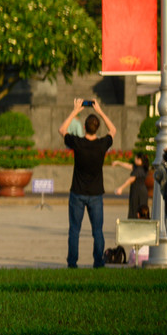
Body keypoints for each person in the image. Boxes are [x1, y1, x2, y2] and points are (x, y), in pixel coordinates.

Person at [58, 98, 116, 269]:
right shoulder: (102, 144)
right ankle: (98, 262)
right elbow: (113, 129)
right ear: (97, 127)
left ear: (84, 127)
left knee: (74, 230)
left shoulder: (78, 143)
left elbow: (62, 129)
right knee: (97, 231)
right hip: (96, 194)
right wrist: (100, 111)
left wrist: (76, 110)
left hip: (77, 192)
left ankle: (72, 263)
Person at [113, 152, 150, 219]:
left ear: (139, 160)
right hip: (142, 191)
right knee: (142, 209)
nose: (134, 159)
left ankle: (134, 225)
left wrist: (121, 188)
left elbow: (131, 179)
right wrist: (118, 162)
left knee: (135, 208)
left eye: (135, 158)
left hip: (137, 192)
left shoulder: (138, 170)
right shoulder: (142, 168)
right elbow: (128, 165)